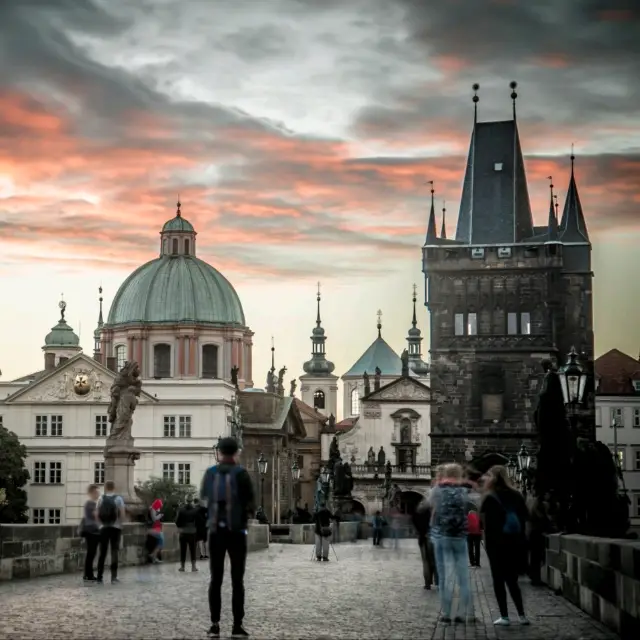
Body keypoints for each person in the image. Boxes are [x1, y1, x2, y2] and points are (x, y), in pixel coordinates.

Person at [200, 437, 255, 638]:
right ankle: (237, 626)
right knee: (237, 580)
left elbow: (204, 500)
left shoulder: (210, 474)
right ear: (236, 453)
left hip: (215, 532)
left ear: (220, 453)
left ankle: (214, 625)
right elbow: (250, 504)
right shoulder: (242, 474)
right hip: (237, 532)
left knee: (216, 579)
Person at [481, 465, 530, 626]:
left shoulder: (490, 497)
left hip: (496, 545)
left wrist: (487, 547)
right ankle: (522, 616)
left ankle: (505, 616)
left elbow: (486, 526)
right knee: (512, 581)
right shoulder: (517, 495)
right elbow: (524, 519)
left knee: (499, 581)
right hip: (514, 543)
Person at [430, 463, 474, 625]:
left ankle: (447, 613)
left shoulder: (437, 490)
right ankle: (463, 614)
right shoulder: (463, 491)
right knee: (463, 576)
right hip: (460, 537)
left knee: (443, 576)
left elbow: (431, 511)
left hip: (442, 537)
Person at [95, 480, 126, 584]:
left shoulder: (100, 498)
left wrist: (100, 525)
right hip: (115, 528)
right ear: (114, 487)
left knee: (102, 553)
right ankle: (113, 578)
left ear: (105, 487)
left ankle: (99, 577)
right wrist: (120, 524)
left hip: (103, 528)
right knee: (114, 552)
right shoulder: (118, 498)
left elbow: (96, 514)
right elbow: (122, 514)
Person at [412, 498, 438, 589]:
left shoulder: (416, 515)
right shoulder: (432, 513)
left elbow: (416, 527)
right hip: (433, 538)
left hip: (423, 539)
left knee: (426, 562)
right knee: (435, 560)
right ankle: (438, 582)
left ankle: (427, 583)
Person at [527, 493, 551, 586]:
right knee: (536, 557)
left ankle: (534, 577)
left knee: (534, 557)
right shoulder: (538, 505)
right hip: (537, 533)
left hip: (533, 533)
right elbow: (542, 518)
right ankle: (535, 578)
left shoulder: (533, 503)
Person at [80, 484, 101, 582]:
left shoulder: (90, 503)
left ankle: (87, 574)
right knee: (91, 553)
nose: (98, 494)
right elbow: (96, 516)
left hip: (91, 530)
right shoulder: (91, 504)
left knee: (91, 553)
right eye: (97, 492)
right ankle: (89, 575)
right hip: (92, 531)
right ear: (92, 493)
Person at [176, 495, 198, 572]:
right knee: (193, 550)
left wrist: (181, 526)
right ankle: (193, 567)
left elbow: (177, 522)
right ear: (192, 501)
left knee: (183, 550)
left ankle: (182, 567)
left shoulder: (181, 510)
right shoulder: (195, 510)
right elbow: (199, 522)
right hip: (192, 532)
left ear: (185, 500)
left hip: (183, 532)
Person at [147, 498, 164, 563]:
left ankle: (154, 556)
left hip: (158, 527)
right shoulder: (153, 509)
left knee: (160, 542)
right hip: (155, 527)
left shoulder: (154, 509)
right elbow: (154, 519)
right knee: (161, 541)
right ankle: (152, 555)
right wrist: (160, 515)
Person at [467, 502, 482, 568]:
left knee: (470, 549)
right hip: (477, 534)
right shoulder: (478, 517)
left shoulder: (467, 517)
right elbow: (482, 527)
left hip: (469, 534)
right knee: (477, 549)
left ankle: (472, 563)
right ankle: (477, 564)